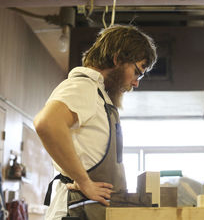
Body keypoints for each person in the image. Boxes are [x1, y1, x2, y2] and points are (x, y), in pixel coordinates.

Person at [34, 25, 157, 220]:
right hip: (76, 211)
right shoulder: (84, 87)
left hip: (87, 211)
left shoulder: (99, 94)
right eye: (137, 72)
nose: (136, 82)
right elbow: (46, 123)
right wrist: (84, 181)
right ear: (118, 59)